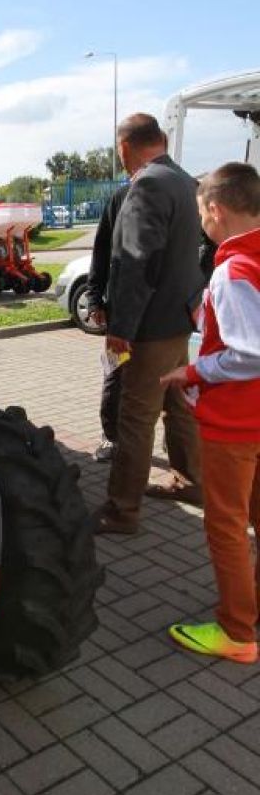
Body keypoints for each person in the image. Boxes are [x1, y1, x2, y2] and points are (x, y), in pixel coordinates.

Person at [160, 162, 260, 662]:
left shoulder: (233, 268)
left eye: (201, 211)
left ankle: (238, 632)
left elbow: (250, 352)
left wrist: (193, 373)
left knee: (225, 525)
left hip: (236, 424)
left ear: (216, 209)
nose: (201, 220)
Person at [93, 113, 203, 534]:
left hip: (150, 326)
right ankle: (191, 481)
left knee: (135, 416)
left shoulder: (148, 184)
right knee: (179, 407)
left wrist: (121, 327)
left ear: (126, 147)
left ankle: (122, 511)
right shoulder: (184, 180)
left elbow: (137, 263)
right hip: (180, 319)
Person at [87, 183, 130, 461]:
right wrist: (94, 298)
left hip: (166, 318)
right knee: (115, 372)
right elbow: (102, 247)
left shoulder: (187, 189)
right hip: (122, 313)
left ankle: (178, 451)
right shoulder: (121, 197)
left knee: (168, 385)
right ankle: (110, 437)